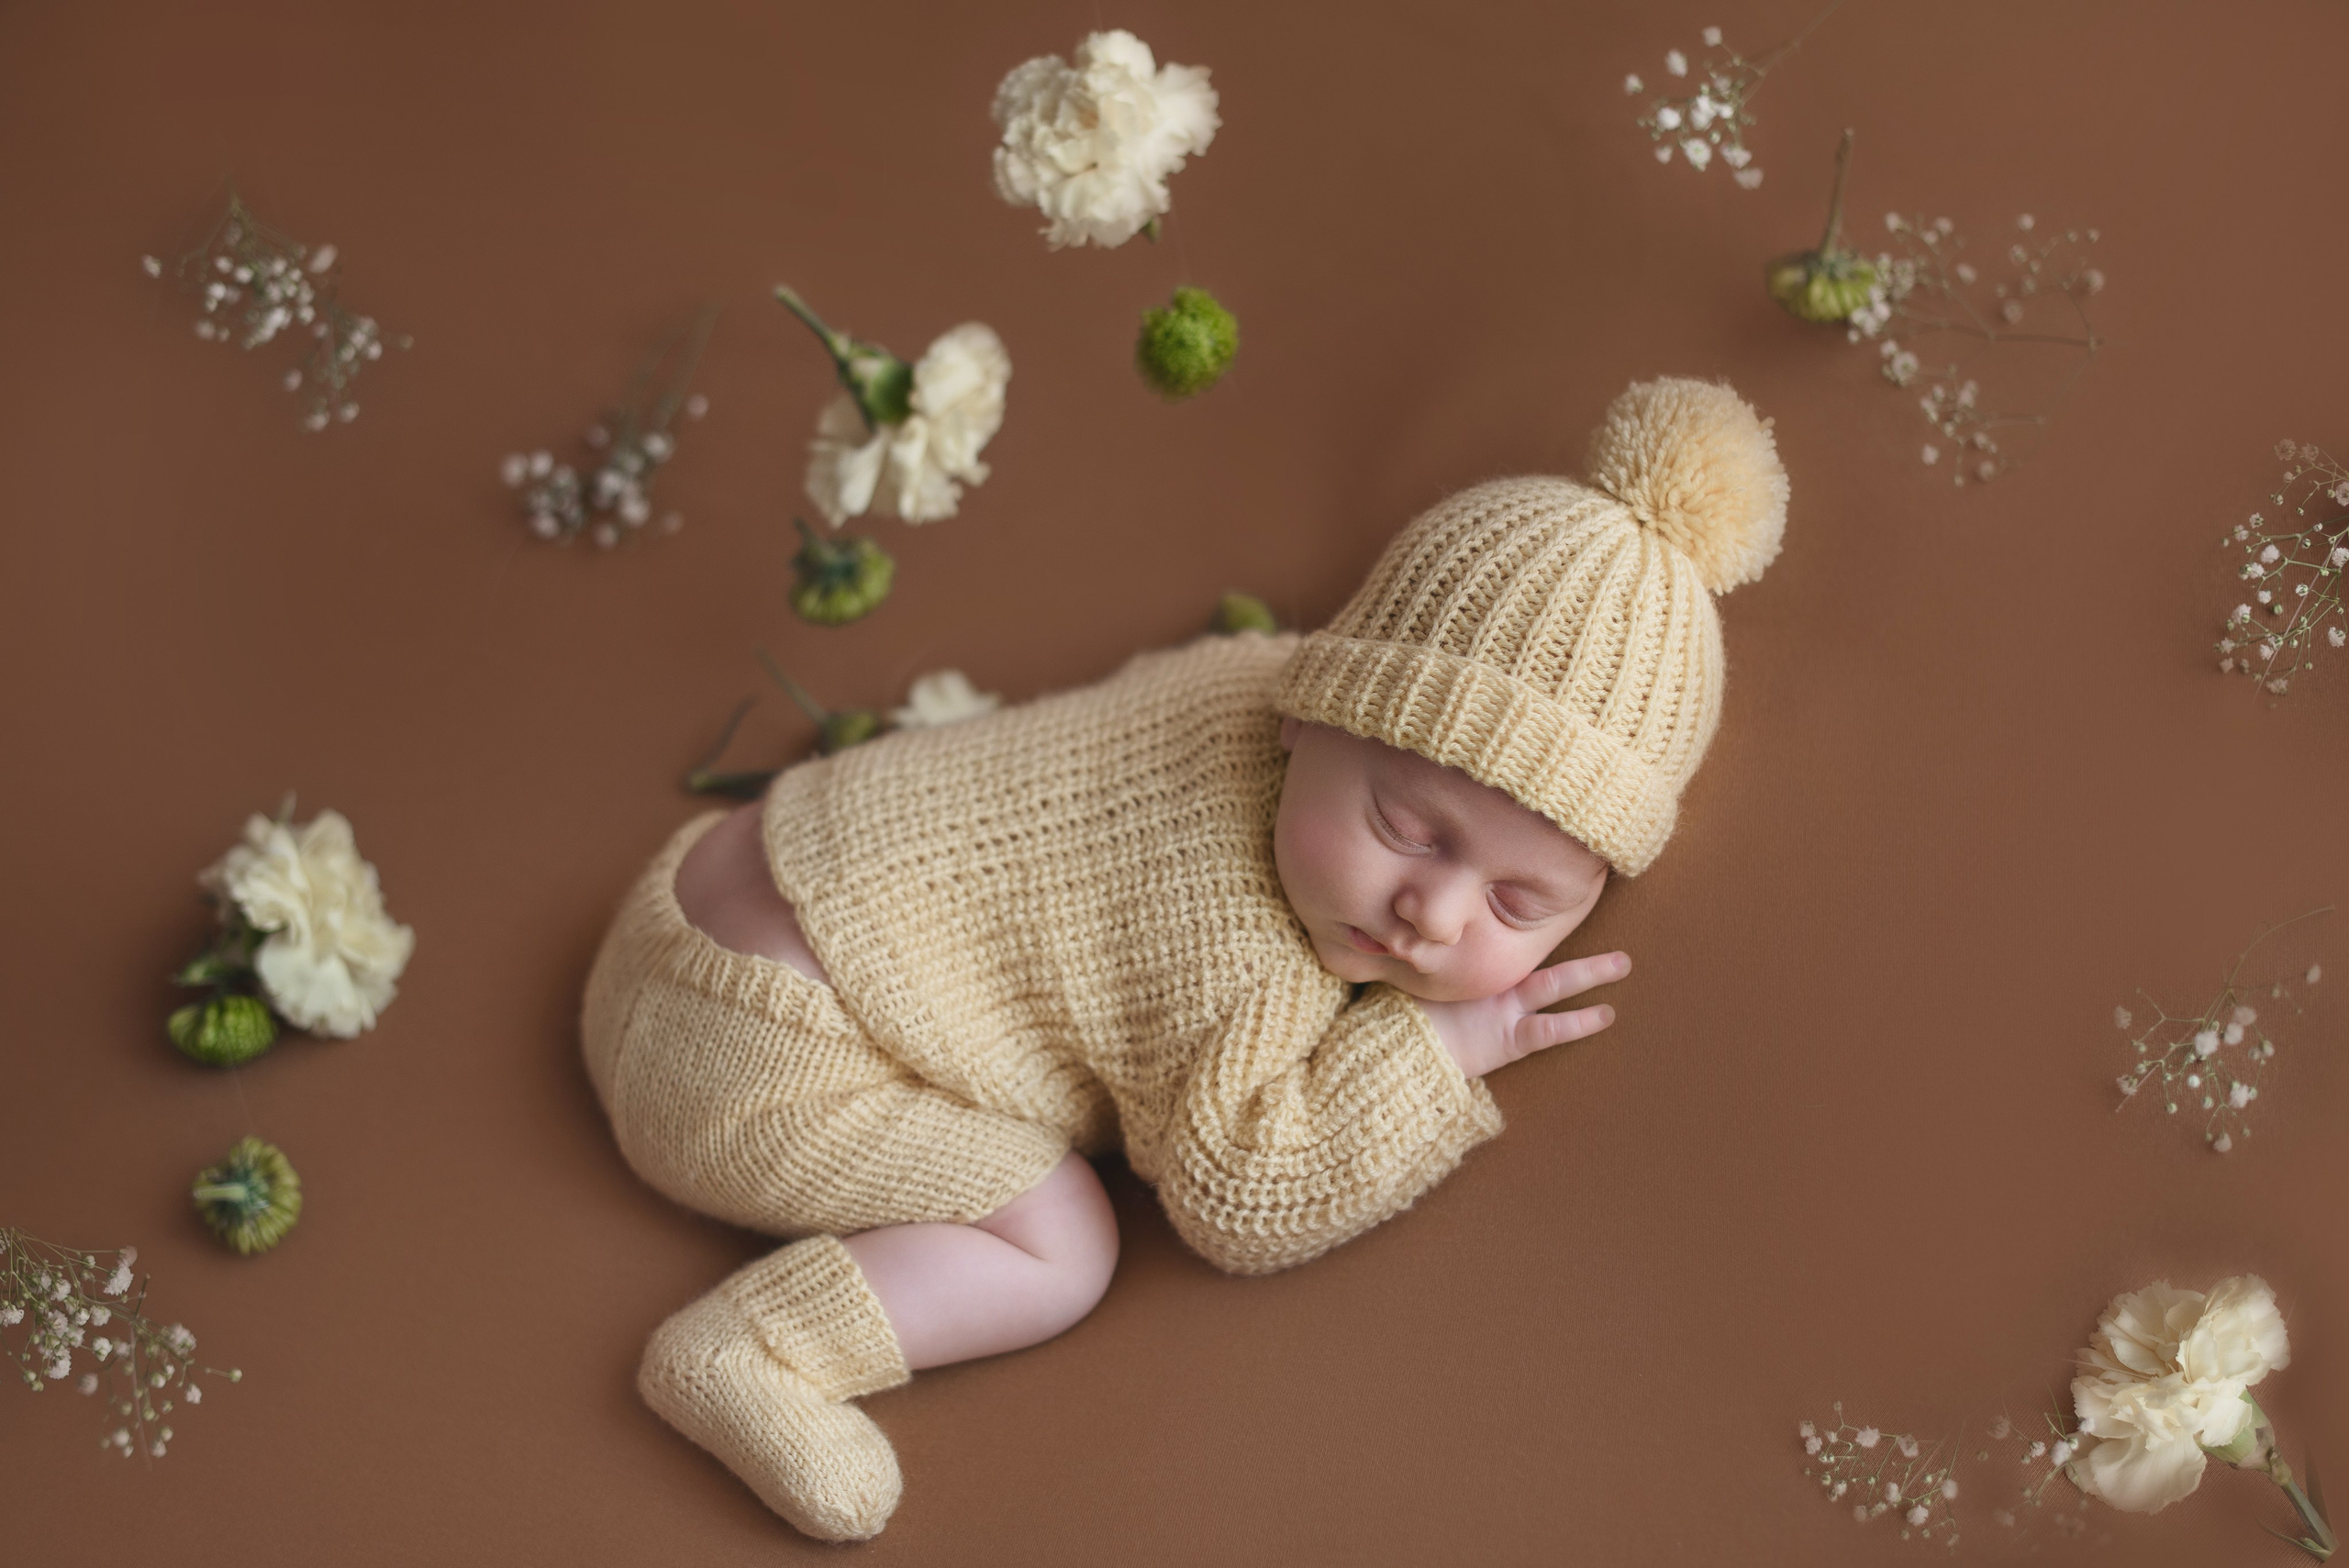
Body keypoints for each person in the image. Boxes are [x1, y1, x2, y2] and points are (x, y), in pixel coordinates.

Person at [581, 376, 1790, 1540]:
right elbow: (1237, 1192)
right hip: (745, 1064)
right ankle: (755, 1349)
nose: (1430, 910)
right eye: (1407, 829)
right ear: (1317, 710)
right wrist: (1436, 1044)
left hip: (699, 883)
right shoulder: (1234, 956)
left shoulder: (1232, 677)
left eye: (1519, 901)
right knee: (1064, 1243)